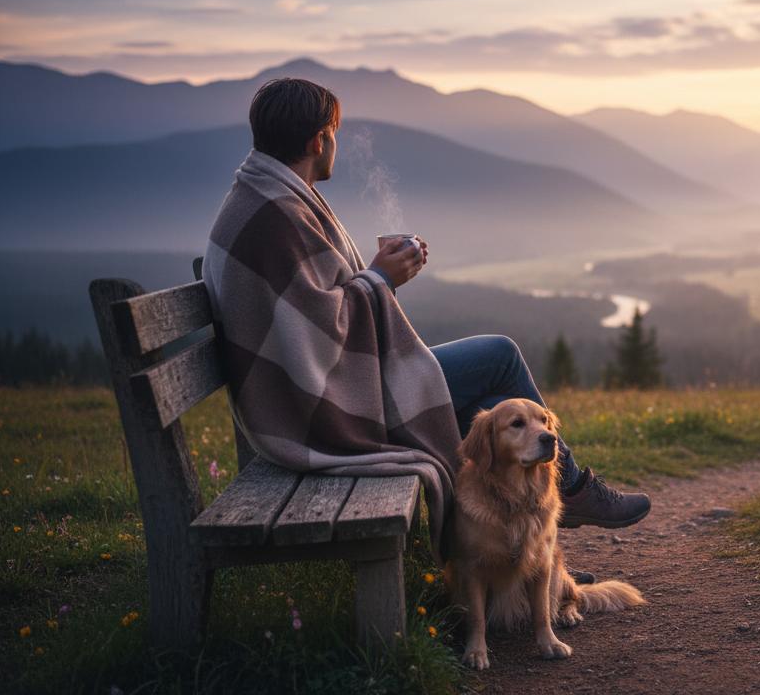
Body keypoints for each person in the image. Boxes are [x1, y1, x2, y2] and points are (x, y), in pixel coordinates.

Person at [240, 77, 651, 532]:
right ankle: (571, 491)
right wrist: (379, 279)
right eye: (335, 133)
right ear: (319, 139)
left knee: (498, 405)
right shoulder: (277, 218)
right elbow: (318, 333)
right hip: (327, 410)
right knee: (500, 356)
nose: (336, 142)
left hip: (334, 389)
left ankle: (523, 561)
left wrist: (381, 280)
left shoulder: (269, 199)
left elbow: (313, 316)